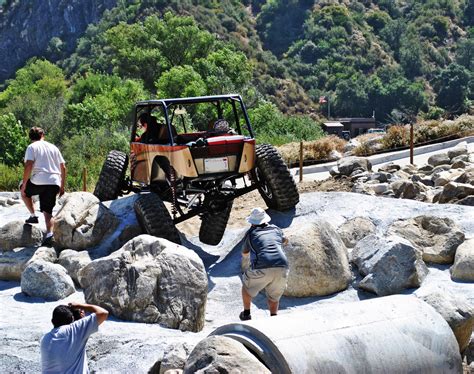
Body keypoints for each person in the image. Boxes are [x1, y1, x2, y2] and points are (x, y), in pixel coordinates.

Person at [239, 207, 289, 321]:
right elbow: (285, 240)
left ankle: (246, 314)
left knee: (246, 288)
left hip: (262, 266)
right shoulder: (276, 229)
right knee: (274, 296)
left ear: (252, 223)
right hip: (282, 266)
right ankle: (273, 318)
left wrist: (244, 266)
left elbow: (245, 252)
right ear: (266, 220)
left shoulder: (251, 233)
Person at [21, 127, 66, 246]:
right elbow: (63, 168)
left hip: (39, 180)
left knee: (23, 190)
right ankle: (50, 234)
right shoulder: (54, 147)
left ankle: (33, 215)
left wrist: (25, 183)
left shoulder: (32, 147)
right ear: (42, 135)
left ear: (30, 137)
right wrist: (62, 187)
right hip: (54, 181)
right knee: (48, 211)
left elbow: (29, 165)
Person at [41, 301, 109, 374]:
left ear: (52, 321)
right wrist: (80, 305)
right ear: (72, 319)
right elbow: (103, 313)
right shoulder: (73, 330)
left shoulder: (45, 339)